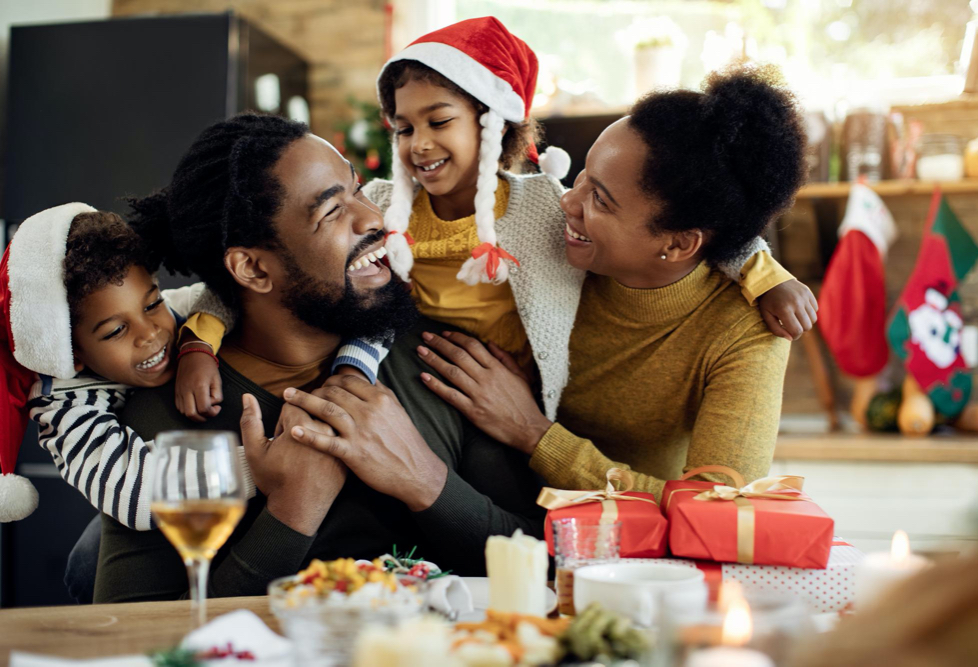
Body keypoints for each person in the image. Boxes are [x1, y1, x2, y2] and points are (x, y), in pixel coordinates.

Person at [174, 17, 817, 426]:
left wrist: (765, 273)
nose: (418, 144)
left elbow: (692, 228)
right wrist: (199, 342)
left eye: (438, 121)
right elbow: (257, 268)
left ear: (492, 125)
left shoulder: (541, 206)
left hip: (515, 409)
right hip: (406, 384)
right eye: (403, 128)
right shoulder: (380, 203)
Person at [92, 112, 546, 603]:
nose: (373, 218)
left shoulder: (444, 361)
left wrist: (425, 479)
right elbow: (129, 632)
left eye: (357, 189)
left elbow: (545, 569)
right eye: (331, 211)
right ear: (253, 268)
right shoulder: (164, 419)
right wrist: (292, 511)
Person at [406, 64, 806, 499]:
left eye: (600, 199)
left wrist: (535, 434)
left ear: (678, 243)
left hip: (630, 532)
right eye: (582, 175)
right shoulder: (549, 237)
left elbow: (717, 508)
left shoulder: (745, 332)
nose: (567, 201)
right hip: (501, 484)